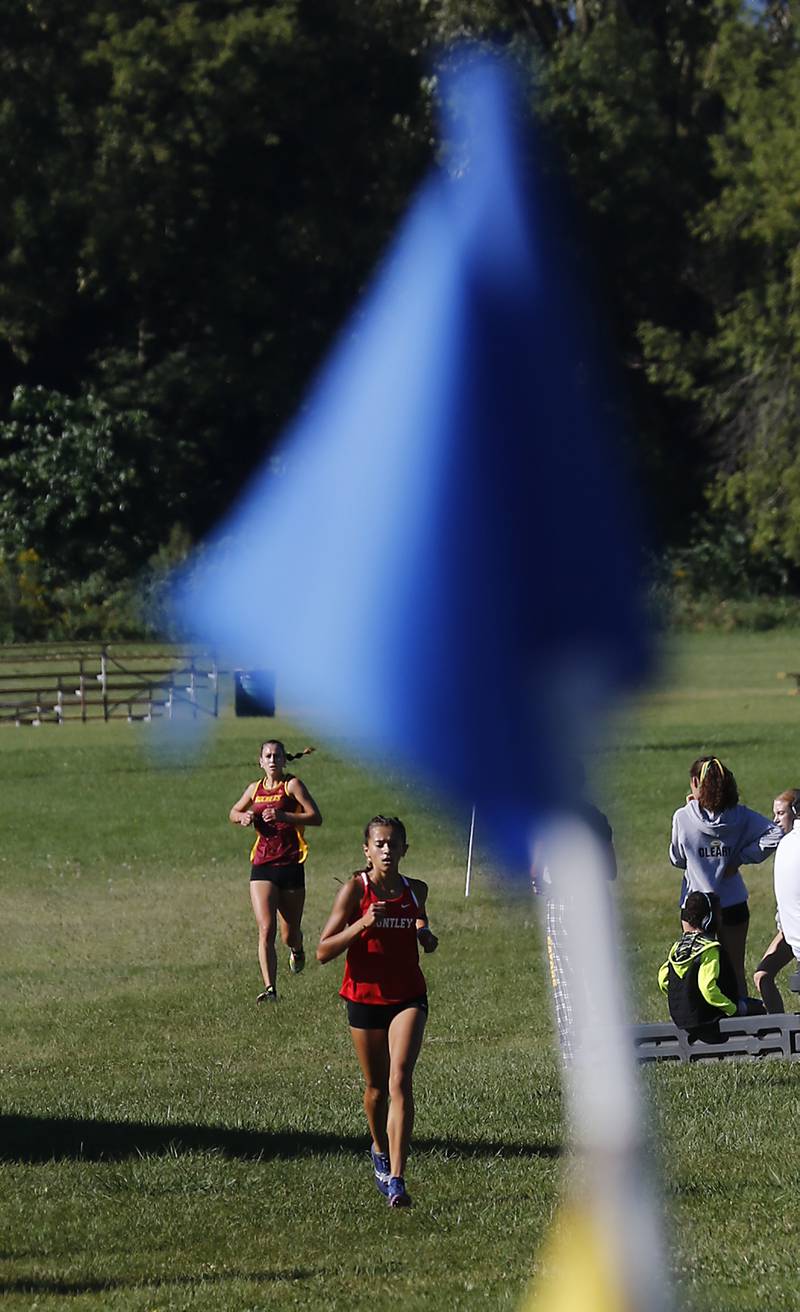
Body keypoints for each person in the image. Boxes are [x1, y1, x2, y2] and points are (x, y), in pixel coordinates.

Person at [316, 816, 438, 1209]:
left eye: (394, 844)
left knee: (400, 1079)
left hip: (408, 996)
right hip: (365, 997)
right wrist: (364, 924)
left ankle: (398, 1180)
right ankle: (379, 1150)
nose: (387, 851)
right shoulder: (355, 891)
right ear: (366, 850)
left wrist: (423, 932)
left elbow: (418, 918)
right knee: (376, 1089)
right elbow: (323, 951)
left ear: (405, 850)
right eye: (380, 844)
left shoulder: (415, 890)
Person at [669, 756, 782, 1000]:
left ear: (696, 782)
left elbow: (677, 859)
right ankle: (741, 1018)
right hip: (732, 903)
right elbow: (776, 833)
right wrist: (740, 857)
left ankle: (702, 1025)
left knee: (695, 972)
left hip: (696, 907)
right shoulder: (740, 816)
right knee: (734, 971)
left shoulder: (682, 817)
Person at [229, 740, 322, 1002]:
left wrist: (285, 817)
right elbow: (233, 811)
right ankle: (270, 989)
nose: (272, 760)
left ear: (284, 760)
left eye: (277, 756)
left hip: (291, 864)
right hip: (262, 865)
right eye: (267, 756)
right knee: (265, 929)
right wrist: (242, 817)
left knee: (288, 933)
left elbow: (316, 817)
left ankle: (298, 947)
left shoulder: (292, 785)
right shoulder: (254, 789)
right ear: (260, 761)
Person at [658, 891, 763, 1033]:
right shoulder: (710, 949)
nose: (721, 919)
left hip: (681, 1019)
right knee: (759, 1007)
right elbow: (708, 988)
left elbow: (663, 979)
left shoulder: (677, 947)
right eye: (719, 915)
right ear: (709, 919)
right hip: (707, 1017)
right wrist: (733, 1009)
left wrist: (683, 999)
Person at [753, 789, 799, 1012]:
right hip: (788, 928)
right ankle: (780, 1030)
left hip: (792, 929)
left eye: (781, 814)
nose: (776, 820)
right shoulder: (785, 845)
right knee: (761, 975)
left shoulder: (790, 845)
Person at [772, 790, 800, 997]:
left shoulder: (785, 844)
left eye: (780, 813)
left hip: (794, 944)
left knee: (761, 976)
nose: (775, 820)